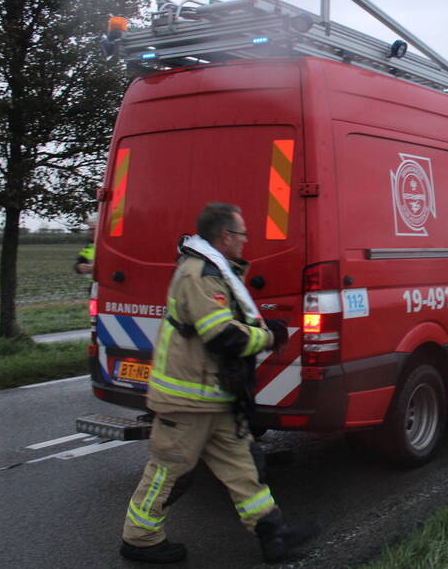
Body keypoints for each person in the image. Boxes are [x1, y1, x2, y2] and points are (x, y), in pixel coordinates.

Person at [120, 203, 317, 564]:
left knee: (242, 468)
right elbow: (222, 336)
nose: (246, 241)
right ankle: (140, 539)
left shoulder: (214, 271)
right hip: (188, 401)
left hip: (213, 396)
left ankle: (272, 532)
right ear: (225, 237)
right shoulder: (201, 275)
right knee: (168, 471)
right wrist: (269, 337)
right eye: (242, 234)